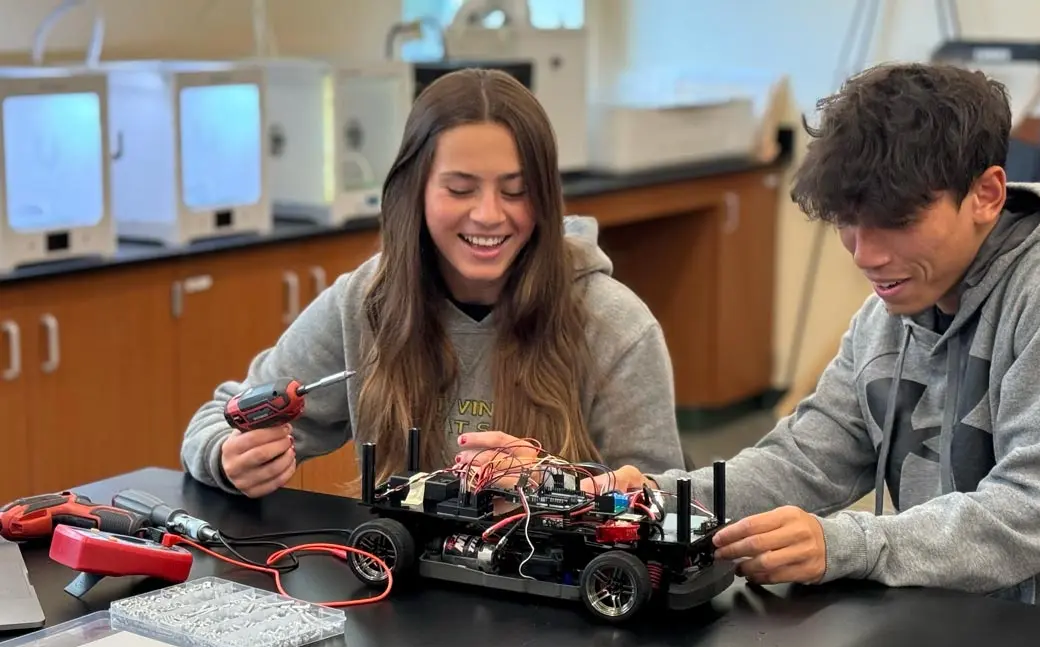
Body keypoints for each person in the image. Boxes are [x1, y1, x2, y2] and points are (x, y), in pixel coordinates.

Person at [467, 62, 1040, 629]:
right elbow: (808, 457)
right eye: (850, 223)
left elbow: (1039, 507)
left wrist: (853, 543)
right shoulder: (895, 305)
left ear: (985, 193)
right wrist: (655, 504)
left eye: (895, 222)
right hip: (968, 614)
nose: (864, 253)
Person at [180, 68, 686, 498]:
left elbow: (662, 498)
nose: (489, 215)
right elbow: (220, 417)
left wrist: (551, 487)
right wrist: (226, 457)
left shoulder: (616, 325)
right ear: (413, 192)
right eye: (460, 189)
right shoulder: (364, 304)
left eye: (517, 191)